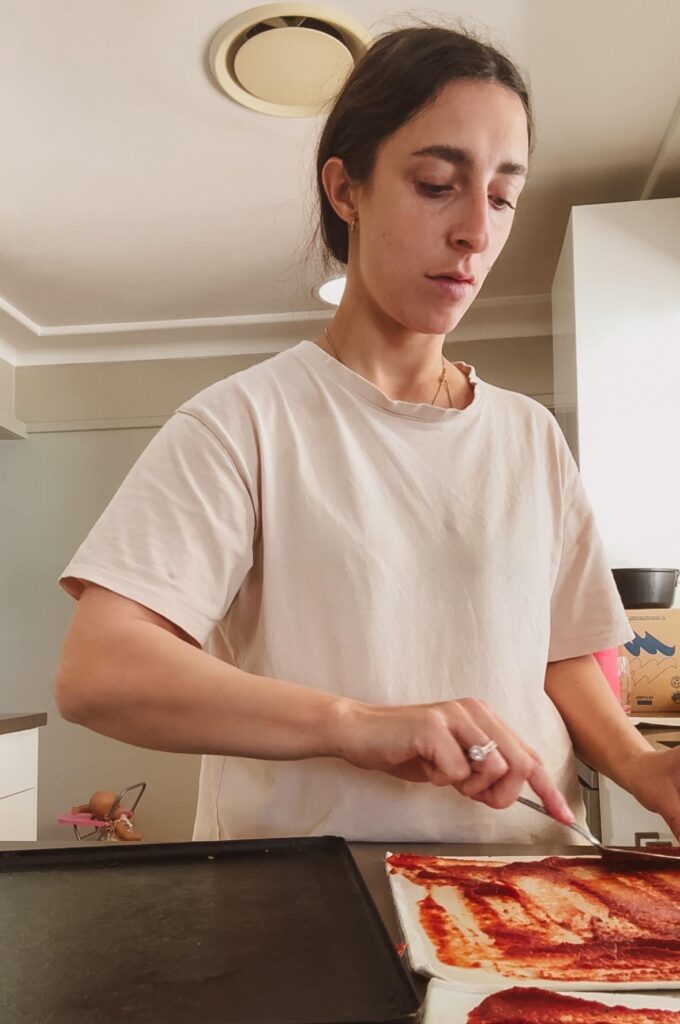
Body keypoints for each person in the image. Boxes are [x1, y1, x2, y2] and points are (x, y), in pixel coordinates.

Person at [54, 25, 680, 844]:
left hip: (529, 886)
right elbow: (100, 672)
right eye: (435, 184)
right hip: (317, 910)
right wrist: (358, 723)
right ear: (347, 191)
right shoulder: (244, 421)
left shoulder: (529, 436)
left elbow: (562, 655)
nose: (476, 233)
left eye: (500, 197)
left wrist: (640, 765)